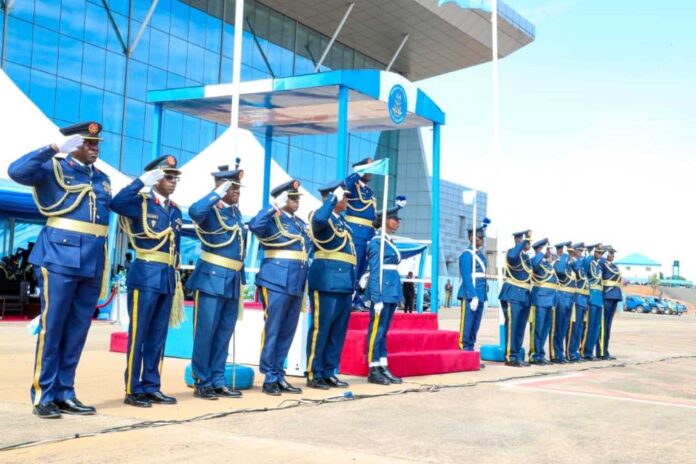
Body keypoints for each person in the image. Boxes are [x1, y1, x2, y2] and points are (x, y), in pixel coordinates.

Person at [8, 122, 110, 418]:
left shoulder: (102, 178)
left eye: (97, 143)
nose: (95, 147)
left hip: (92, 259)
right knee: (53, 328)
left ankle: (66, 392)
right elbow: (16, 171)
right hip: (59, 256)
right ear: (73, 143)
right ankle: (43, 394)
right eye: (88, 143)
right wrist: (53, 148)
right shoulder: (52, 168)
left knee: (77, 330)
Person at [112, 155, 183, 408]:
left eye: (175, 177)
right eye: (167, 176)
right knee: (139, 334)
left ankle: (152, 386)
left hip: (165, 277)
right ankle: (133, 388)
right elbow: (116, 203)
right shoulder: (140, 202)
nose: (173, 181)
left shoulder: (175, 209)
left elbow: (176, 248)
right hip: (145, 274)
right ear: (156, 178)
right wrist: (140, 182)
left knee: (157, 336)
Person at [186, 163, 246, 400]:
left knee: (223, 333)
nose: (238, 192)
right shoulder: (211, 210)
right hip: (210, 279)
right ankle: (202, 381)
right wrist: (217, 193)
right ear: (223, 188)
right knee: (205, 333)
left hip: (230, 280)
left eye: (239, 187)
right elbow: (194, 211)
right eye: (233, 188)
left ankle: (218, 379)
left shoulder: (235, 213)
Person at [249, 179, 311, 395]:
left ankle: (278, 373)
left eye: (296, 198)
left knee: (287, 331)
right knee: (273, 328)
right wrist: (274, 206)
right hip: (275, 279)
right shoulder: (273, 217)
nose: (295, 202)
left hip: (296, 281)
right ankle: (269, 376)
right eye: (291, 198)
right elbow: (255, 226)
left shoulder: (299, 223)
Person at [304, 180, 355, 389]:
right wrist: (333, 197)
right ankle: (314, 372)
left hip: (344, 282)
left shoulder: (342, 222)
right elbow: (319, 221)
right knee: (321, 328)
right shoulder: (320, 216)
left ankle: (328, 370)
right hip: (326, 280)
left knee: (337, 331)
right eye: (345, 196)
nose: (347, 200)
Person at [365, 204, 405, 385]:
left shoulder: (388, 241)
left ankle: (383, 365)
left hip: (391, 291)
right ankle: (373, 368)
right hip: (382, 292)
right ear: (385, 221)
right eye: (395, 219)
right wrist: (376, 297)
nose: (397, 222)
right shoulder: (376, 242)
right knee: (377, 331)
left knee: (384, 331)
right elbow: (375, 271)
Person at [344, 159, 377, 309]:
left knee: (363, 267)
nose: (370, 172)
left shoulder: (369, 190)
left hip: (368, 232)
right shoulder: (352, 186)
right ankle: (349, 298)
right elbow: (345, 184)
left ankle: (356, 297)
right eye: (367, 169)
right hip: (356, 230)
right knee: (354, 266)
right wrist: (357, 173)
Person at [498, 230, 532, 367]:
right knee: (512, 326)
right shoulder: (512, 252)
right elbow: (512, 256)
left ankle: (517, 355)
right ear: (519, 241)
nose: (528, 244)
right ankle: (510, 356)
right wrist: (523, 242)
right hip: (513, 293)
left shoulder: (525, 258)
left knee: (520, 328)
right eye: (526, 242)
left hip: (524, 295)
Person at [457, 226, 488, 352]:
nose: (482, 240)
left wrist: (484, 298)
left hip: (481, 294)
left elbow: (483, 278)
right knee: (467, 325)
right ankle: (464, 350)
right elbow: (466, 277)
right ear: (471, 238)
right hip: (470, 294)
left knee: (475, 326)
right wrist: (473, 295)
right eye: (479, 237)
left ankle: (470, 350)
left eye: (482, 238)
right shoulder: (466, 255)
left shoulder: (481, 256)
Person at [529, 238, 557, 365]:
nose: (550, 251)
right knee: (538, 328)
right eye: (548, 249)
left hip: (549, 300)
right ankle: (534, 355)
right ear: (541, 249)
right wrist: (540, 252)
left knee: (545, 329)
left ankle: (540, 354)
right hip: (540, 299)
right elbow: (534, 264)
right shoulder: (536, 260)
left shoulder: (546, 264)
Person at [581, 243, 605, 361]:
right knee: (589, 327)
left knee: (596, 327)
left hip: (599, 299)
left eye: (601, 252)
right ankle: (584, 351)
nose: (599, 254)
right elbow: (585, 263)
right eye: (598, 252)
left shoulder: (598, 266)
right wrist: (591, 250)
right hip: (592, 297)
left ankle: (589, 351)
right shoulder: (589, 262)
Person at [552, 241, 574, 363]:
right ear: (561, 251)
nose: (570, 253)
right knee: (558, 327)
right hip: (561, 297)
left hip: (569, 298)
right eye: (567, 251)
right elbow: (560, 271)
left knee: (564, 327)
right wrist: (565, 256)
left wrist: (569, 256)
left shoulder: (568, 264)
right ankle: (556, 354)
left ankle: (561, 353)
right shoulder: (558, 263)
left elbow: (577, 266)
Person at [599, 246, 622, 360]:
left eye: (613, 253)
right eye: (610, 253)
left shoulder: (614, 266)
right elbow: (599, 261)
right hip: (607, 296)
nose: (612, 255)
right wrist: (603, 251)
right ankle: (601, 351)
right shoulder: (603, 264)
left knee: (608, 326)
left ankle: (605, 350)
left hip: (614, 296)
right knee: (603, 325)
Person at [567, 243, 588, 362]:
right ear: (574, 251)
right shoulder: (572, 263)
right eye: (579, 251)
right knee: (574, 328)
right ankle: (571, 353)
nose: (581, 254)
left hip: (583, 300)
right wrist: (580, 258)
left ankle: (575, 352)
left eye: (581, 251)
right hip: (577, 299)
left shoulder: (581, 267)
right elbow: (576, 266)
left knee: (579, 328)